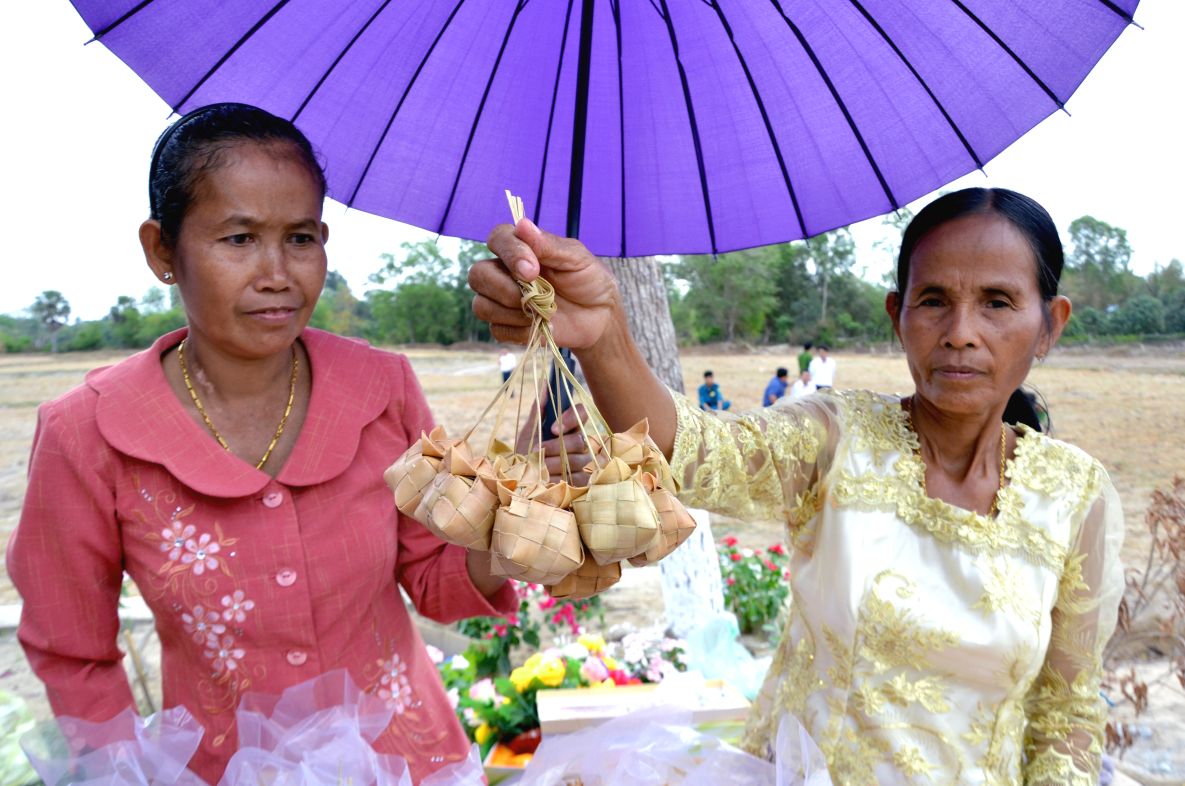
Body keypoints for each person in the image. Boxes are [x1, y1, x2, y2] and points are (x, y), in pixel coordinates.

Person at [470, 187, 1123, 785]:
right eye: (932, 301)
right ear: (897, 314)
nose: (959, 333)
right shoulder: (835, 441)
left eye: (997, 302)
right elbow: (696, 450)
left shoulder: (1073, 494)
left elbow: (1065, 711)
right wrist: (604, 331)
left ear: (1050, 324)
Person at [6, 104, 518, 785]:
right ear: (163, 250)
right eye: (239, 239)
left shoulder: (381, 388)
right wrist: (121, 770)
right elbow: (71, 649)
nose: (277, 273)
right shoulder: (88, 432)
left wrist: (511, 528)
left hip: (409, 763)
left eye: (301, 238)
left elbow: (434, 579)